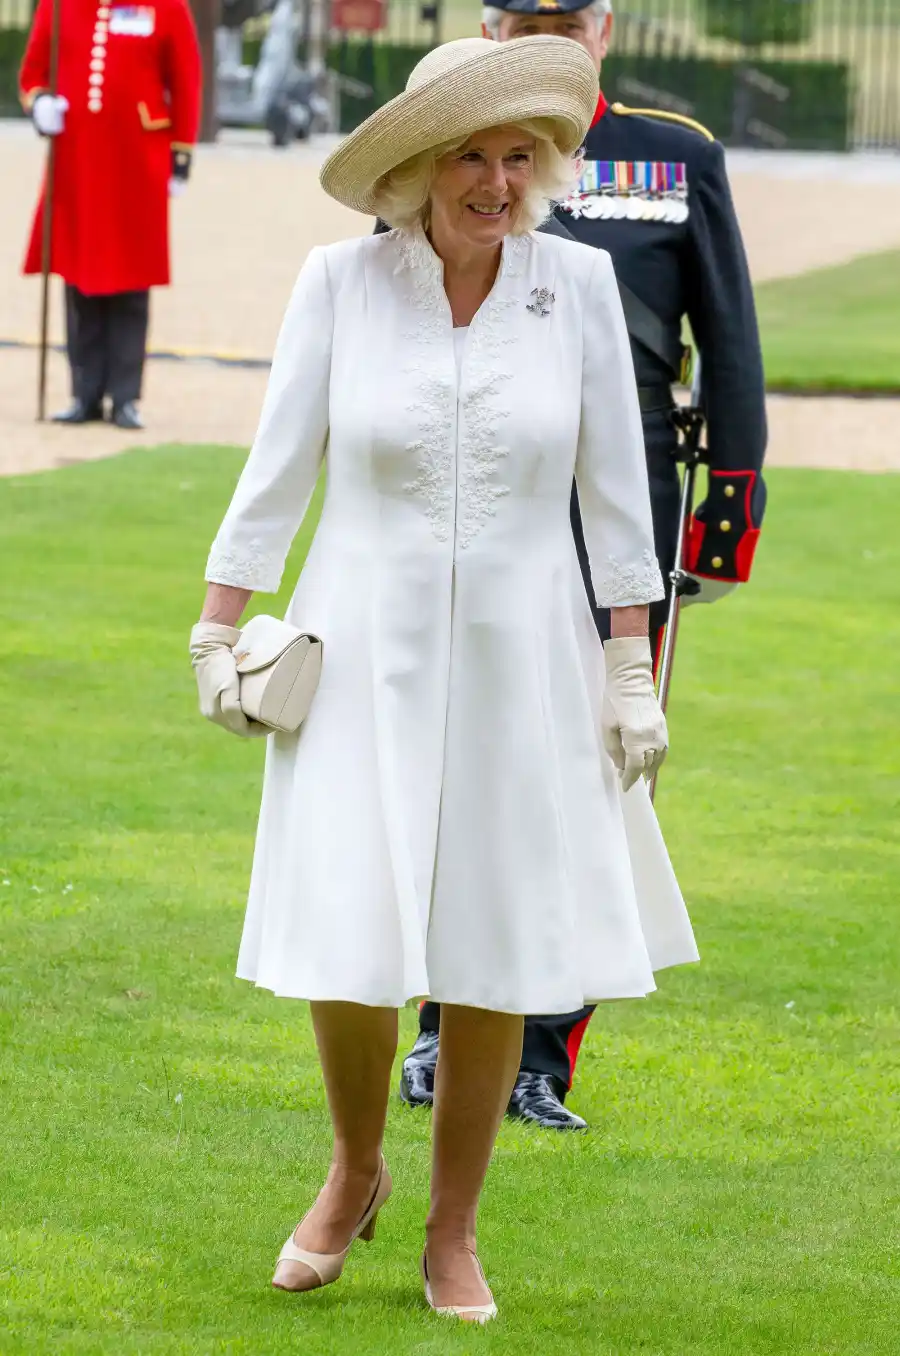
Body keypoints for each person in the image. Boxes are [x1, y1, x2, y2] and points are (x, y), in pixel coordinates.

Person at [189, 35, 697, 1323]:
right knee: (351, 937)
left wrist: (631, 669)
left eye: (516, 154)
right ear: (415, 168)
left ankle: (452, 1231)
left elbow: (616, 498)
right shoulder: (337, 285)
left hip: (527, 651)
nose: (494, 177)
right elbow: (280, 466)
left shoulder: (575, 288)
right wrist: (218, 625)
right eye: (469, 152)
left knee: (491, 941)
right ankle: (354, 1168)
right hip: (360, 641)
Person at [400, 0, 767, 1132]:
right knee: (453, 743)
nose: (549, 33)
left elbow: (730, 333)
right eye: (526, 18)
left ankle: (540, 1051)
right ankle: (439, 1032)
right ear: (491, 30)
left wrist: (727, 508)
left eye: (569, 16)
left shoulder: (675, 154)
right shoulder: (442, 145)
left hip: (627, 479)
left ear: (602, 32)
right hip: (474, 469)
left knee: (594, 757)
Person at [19, 0, 202, 429]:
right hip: (77, 160)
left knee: (131, 280)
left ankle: (124, 395)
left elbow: (186, 78)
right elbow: (33, 72)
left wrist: (182, 153)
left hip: (137, 160)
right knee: (77, 277)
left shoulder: (165, 6)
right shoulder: (58, 6)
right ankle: (84, 393)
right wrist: (40, 102)